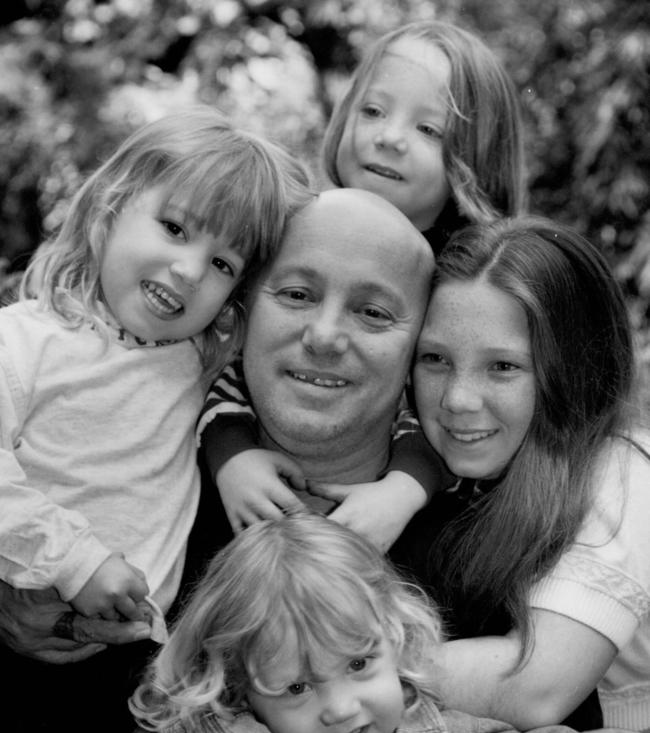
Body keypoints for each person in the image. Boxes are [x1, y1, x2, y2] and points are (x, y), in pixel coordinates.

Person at [0, 105, 312, 733]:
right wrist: (74, 559)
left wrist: (232, 447)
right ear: (112, 208)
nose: (188, 268)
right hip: (24, 634)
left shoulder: (196, 362)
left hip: (130, 671)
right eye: (174, 227)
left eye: (224, 263)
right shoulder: (29, 340)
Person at [42, 513, 650, 733]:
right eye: (297, 688)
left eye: (359, 665)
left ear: (396, 639)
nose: (341, 708)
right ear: (238, 687)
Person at [196, 19, 525, 548]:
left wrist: (406, 487)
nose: (388, 137)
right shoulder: (291, 228)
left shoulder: (470, 289)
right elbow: (223, 373)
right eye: (372, 110)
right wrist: (230, 457)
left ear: (477, 158)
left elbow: (443, 417)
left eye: (429, 129)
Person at [398, 215, 650, 733]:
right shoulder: (436, 467)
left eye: (504, 367)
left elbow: (534, 687)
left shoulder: (623, 473)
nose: (457, 400)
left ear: (576, 369)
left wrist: (325, 666)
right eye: (435, 359)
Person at [184, 186, 436, 580]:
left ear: (419, 348)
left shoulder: (480, 555)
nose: (323, 336)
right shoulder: (149, 490)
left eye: (373, 312)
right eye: (298, 294)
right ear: (241, 308)